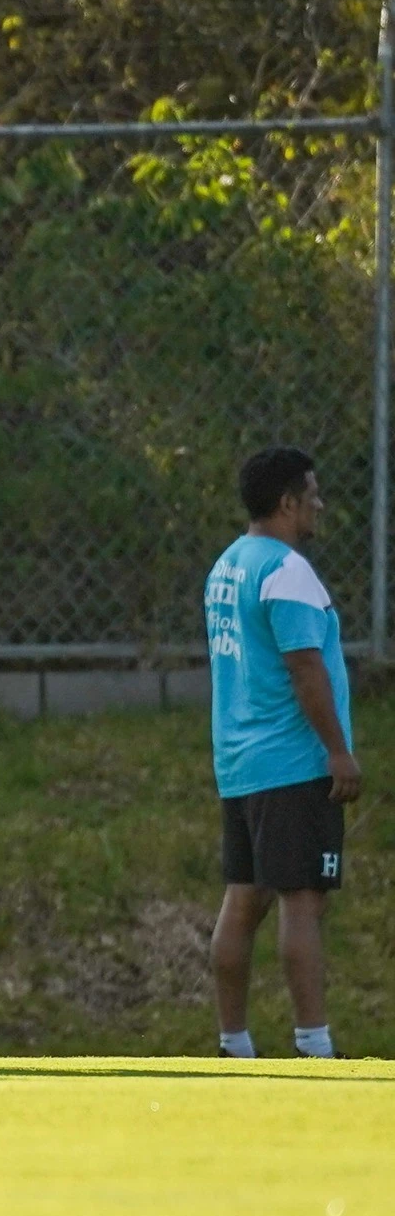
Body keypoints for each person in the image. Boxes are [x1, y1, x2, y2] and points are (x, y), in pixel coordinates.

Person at [204, 446, 359, 1061]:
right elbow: (304, 668)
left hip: (240, 763)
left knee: (244, 897)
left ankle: (233, 1044)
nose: (319, 505)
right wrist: (338, 752)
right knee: (303, 898)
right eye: (312, 495)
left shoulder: (227, 566)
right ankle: (314, 1045)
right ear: (287, 502)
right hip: (292, 762)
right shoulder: (288, 570)